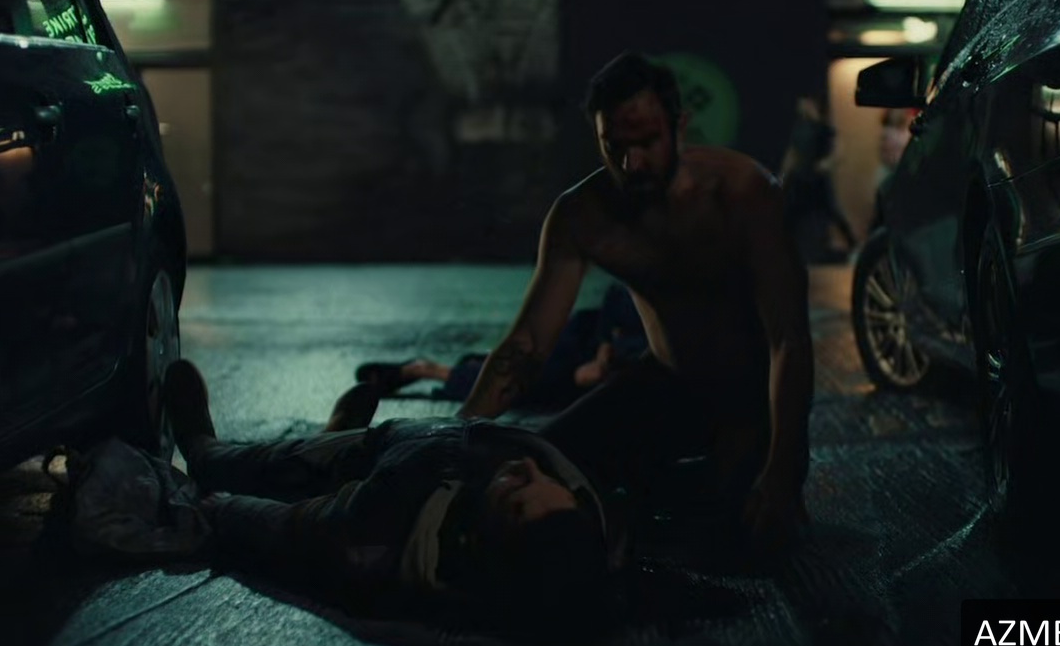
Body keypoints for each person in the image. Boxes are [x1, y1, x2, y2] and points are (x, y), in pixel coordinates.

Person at [455, 52, 814, 551]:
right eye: (615, 147)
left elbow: (788, 341)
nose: (632, 164)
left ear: (679, 127)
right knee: (530, 467)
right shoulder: (582, 216)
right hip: (664, 384)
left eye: (646, 142)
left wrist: (783, 468)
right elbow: (530, 344)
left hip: (748, 401)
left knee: (730, 532)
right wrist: (458, 433)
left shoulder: (743, 192)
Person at [162, 359, 619, 637]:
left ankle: (208, 452)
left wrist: (220, 509)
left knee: (245, 469)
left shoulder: (374, 536)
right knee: (303, 460)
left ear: (479, 541)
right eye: (552, 488)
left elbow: (285, 529)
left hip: (388, 467)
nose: (528, 469)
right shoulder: (589, 522)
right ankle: (330, 439)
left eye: (516, 496)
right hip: (415, 445)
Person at [354, 282, 646, 408]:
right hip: (586, 339)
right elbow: (618, 295)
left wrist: (603, 370)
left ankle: (438, 369)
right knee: (522, 374)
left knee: (529, 383)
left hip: (599, 373)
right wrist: (603, 348)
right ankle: (432, 369)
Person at [778, 95, 857, 262]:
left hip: (817, 179)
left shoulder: (824, 128)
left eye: (805, 103)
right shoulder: (799, 128)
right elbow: (792, 155)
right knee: (789, 214)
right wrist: (782, 177)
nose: (801, 106)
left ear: (812, 104)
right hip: (799, 179)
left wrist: (826, 164)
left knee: (832, 211)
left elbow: (839, 150)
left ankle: (854, 246)